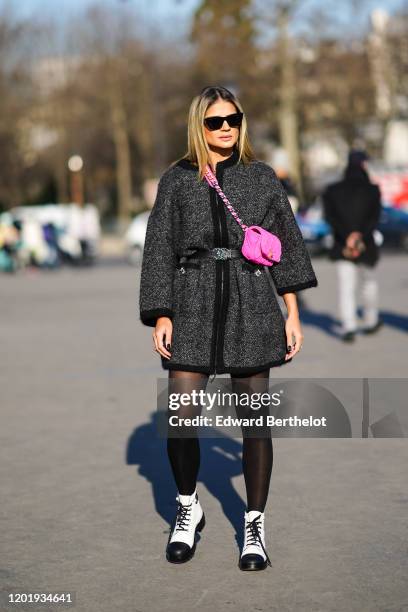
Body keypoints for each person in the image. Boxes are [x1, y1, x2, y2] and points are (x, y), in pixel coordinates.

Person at [139, 85, 318, 571]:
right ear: (199, 126)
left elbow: (286, 243)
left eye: (233, 120)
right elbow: (158, 246)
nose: (225, 129)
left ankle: (254, 525)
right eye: (215, 121)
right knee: (180, 417)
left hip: (252, 300)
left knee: (255, 424)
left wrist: (292, 312)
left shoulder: (261, 178)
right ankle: (186, 507)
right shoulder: (176, 180)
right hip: (191, 299)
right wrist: (161, 311)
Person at [322, 149, 383, 342]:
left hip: (342, 244)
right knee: (369, 284)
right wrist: (360, 235)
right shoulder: (373, 189)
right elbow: (375, 218)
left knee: (346, 286)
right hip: (367, 244)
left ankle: (349, 326)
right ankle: (370, 320)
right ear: (363, 165)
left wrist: (348, 236)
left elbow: (330, 217)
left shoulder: (332, 190)